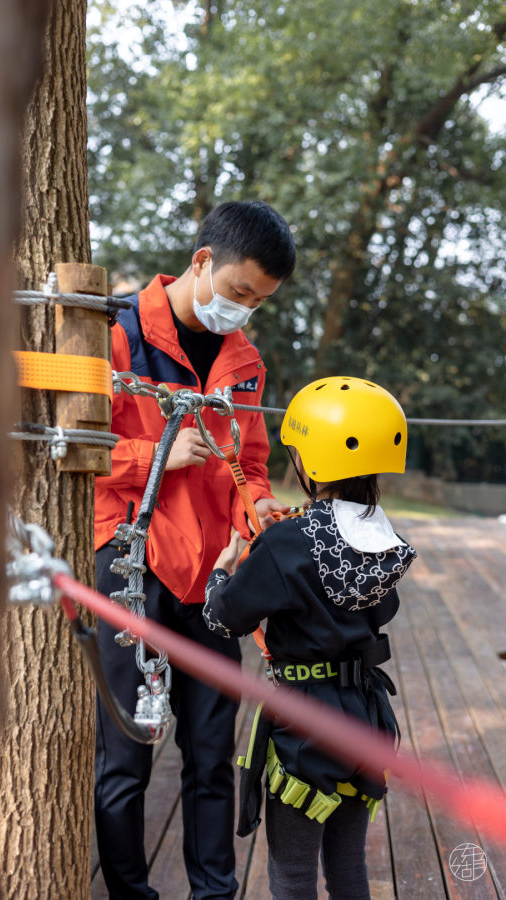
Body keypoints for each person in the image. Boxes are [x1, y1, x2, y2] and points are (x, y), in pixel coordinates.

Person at [94, 201, 296, 900]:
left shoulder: (245, 361)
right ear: (203, 261)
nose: (244, 311)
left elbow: (253, 460)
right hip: (131, 568)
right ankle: (128, 893)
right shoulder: (114, 332)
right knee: (126, 757)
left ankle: (215, 892)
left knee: (212, 755)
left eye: (259, 302)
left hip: (211, 584)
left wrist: (258, 505)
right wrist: (156, 455)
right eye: (241, 293)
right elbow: (71, 450)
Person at [203, 376, 417, 900]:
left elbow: (225, 618)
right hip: (366, 717)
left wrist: (223, 573)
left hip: (305, 728)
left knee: (293, 874)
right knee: (348, 871)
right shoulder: (385, 539)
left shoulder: (287, 541)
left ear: (308, 461)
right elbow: (372, 602)